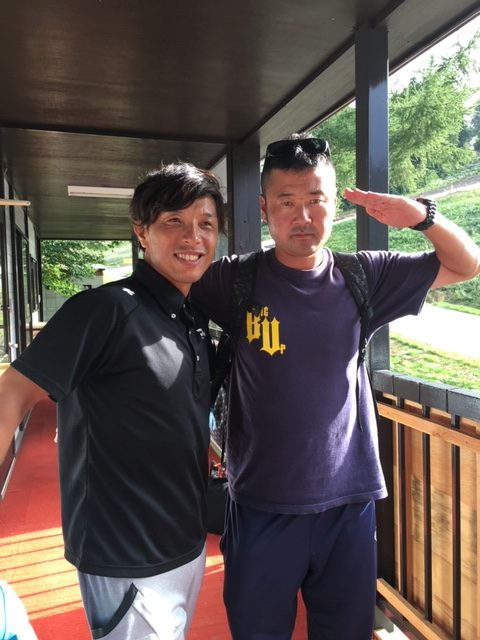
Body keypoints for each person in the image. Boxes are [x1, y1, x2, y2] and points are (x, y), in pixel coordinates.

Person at [192, 135, 480, 639]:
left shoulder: (363, 274)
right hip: (260, 503)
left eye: (315, 199)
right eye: (286, 202)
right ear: (264, 208)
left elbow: (465, 265)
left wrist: (422, 217)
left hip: (348, 504)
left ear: (333, 202)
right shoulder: (233, 280)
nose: (303, 216)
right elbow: (168, 280)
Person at [0, 162, 224, 639]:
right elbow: (11, 395)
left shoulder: (190, 319)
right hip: (126, 550)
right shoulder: (106, 309)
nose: (193, 237)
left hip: (185, 541)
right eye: (174, 221)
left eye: (205, 223)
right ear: (142, 232)